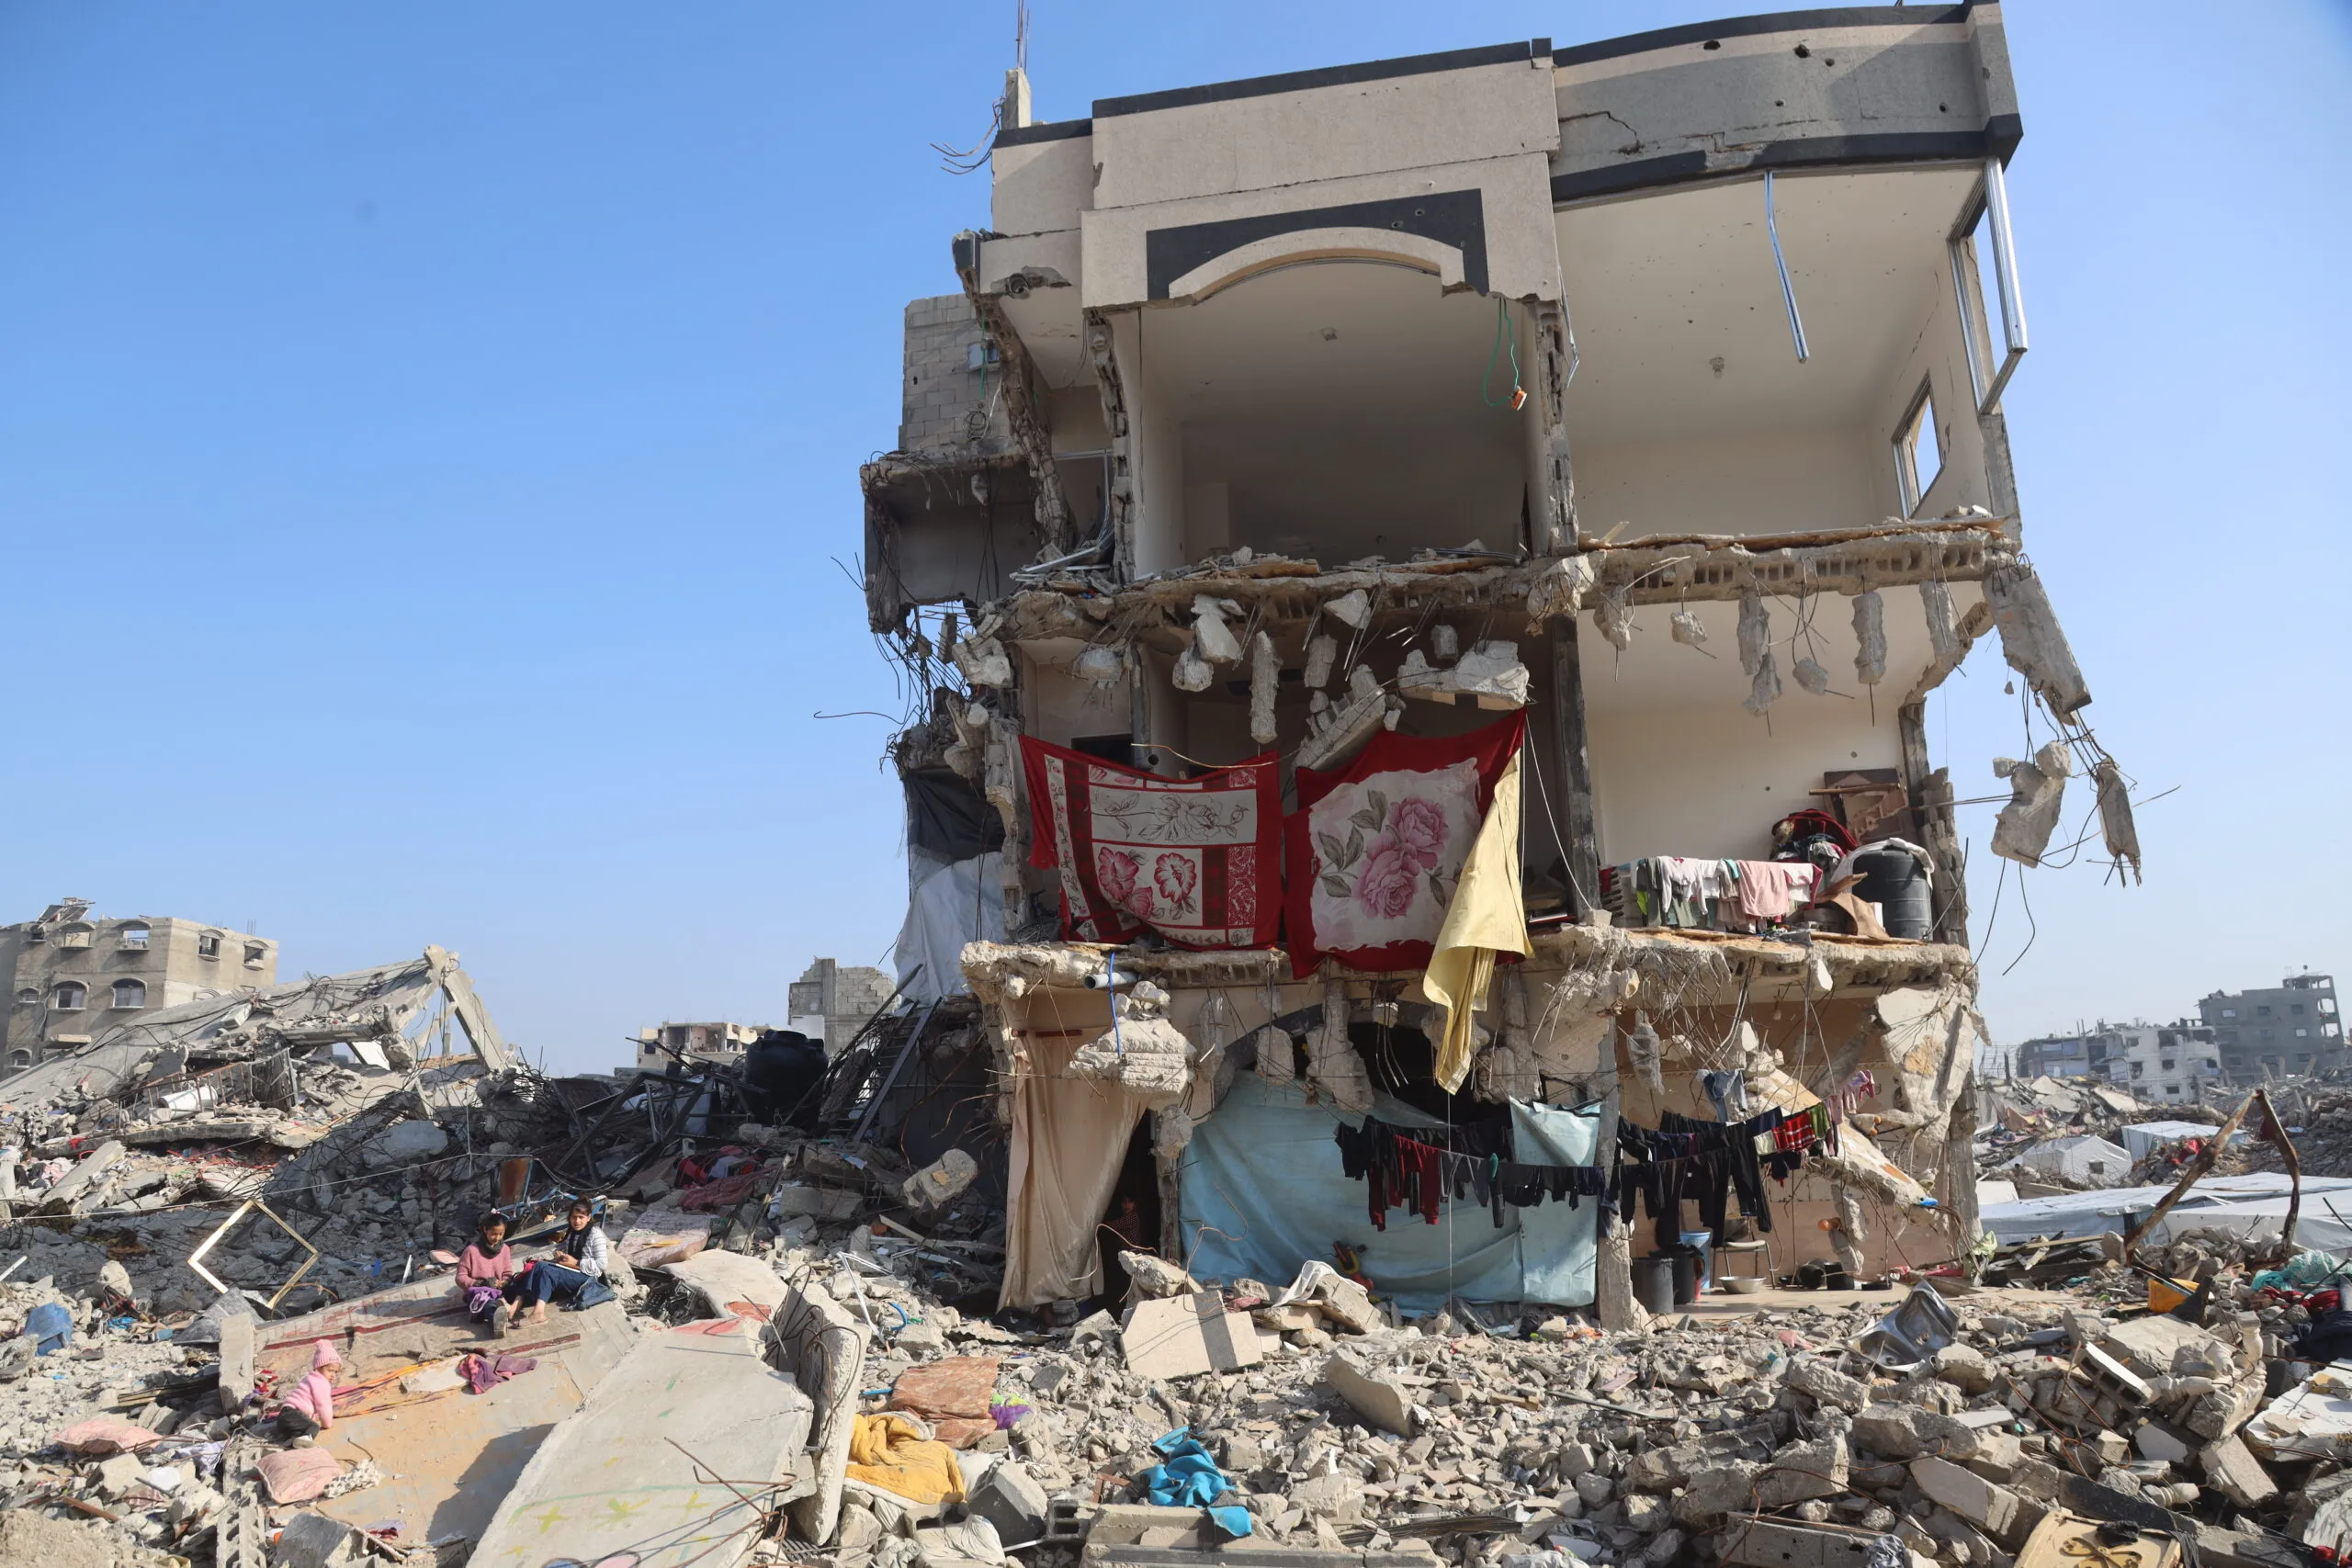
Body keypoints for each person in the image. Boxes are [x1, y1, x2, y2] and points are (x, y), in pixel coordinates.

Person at [514, 1200, 609, 1325]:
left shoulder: (595, 1235)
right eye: (574, 1217)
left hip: (586, 1277)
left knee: (547, 1271)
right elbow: (562, 1246)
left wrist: (577, 1262)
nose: (577, 1221)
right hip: (571, 1270)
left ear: (588, 1217)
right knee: (537, 1265)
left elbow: (602, 1264)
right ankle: (517, 1302)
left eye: (581, 1217)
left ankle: (538, 1313)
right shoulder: (572, 1231)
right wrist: (558, 1254)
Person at [455, 1213, 515, 1337]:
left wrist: (504, 1281)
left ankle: (483, 1313)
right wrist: (482, 1283)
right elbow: (460, 1278)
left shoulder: (505, 1249)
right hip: (479, 1292)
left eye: (501, 1234)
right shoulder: (471, 1251)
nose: (497, 1238)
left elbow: (507, 1272)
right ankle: (497, 1322)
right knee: (488, 1303)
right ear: (485, 1229)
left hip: (499, 1290)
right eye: (494, 1233)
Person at [277, 1340, 341, 1440]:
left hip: (287, 1417)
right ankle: (301, 1442)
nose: (333, 1375)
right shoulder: (321, 1382)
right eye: (330, 1370)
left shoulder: (311, 1378)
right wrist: (327, 1424)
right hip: (292, 1414)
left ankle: (293, 1441)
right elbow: (324, 1405)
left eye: (335, 1372)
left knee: (302, 1431)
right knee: (313, 1427)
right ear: (318, 1368)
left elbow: (310, 1403)